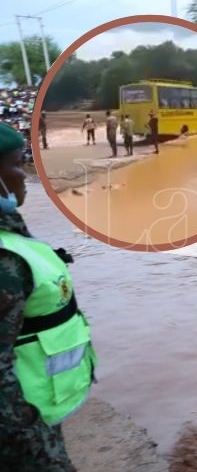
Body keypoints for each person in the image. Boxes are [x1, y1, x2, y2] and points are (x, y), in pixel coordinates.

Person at [0, 122, 96, 470]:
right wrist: (29, 440)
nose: (23, 175)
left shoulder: (11, 237)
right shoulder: (4, 260)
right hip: (20, 431)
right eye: (16, 164)